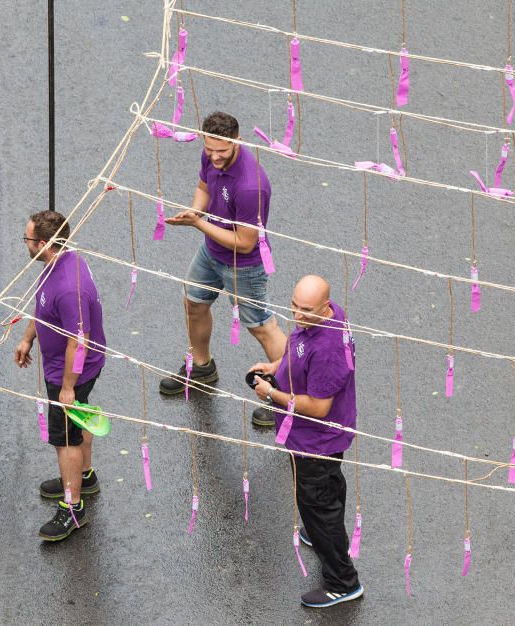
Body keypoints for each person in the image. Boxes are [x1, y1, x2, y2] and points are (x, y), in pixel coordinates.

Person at [249, 275, 363, 608]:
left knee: (316, 501)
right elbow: (298, 353)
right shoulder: (320, 319)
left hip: (318, 440)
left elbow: (318, 407)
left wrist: (271, 393)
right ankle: (320, 533)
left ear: (326, 306)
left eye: (306, 310)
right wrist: (276, 366)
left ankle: (343, 582)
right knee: (326, 488)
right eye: (294, 307)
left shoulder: (328, 351)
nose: (297, 316)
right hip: (308, 439)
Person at [160, 111, 286, 407]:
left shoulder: (251, 185)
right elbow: (204, 186)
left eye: (222, 151)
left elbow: (244, 243)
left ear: (238, 142)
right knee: (193, 301)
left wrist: (198, 224)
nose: (214, 157)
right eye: (209, 149)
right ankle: (202, 367)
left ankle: (287, 392)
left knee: (260, 325)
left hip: (243, 264)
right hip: (212, 250)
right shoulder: (211, 155)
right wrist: (195, 211)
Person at [14, 211, 106, 541]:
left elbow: (77, 342)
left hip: (70, 372)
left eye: (27, 239)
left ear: (43, 244)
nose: (24, 244)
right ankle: (85, 476)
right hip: (67, 368)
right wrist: (28, 337)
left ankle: (73, 507)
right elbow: (42, 307)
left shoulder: (69, 288)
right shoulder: (57, 263)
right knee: (79, 420)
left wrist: (67, 386)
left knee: (65, 437)